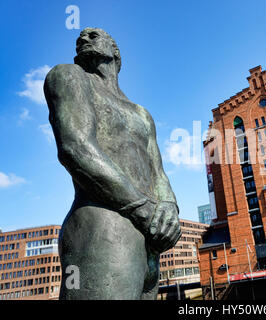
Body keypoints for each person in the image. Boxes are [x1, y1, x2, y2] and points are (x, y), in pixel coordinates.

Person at [44, 28, 181, 299]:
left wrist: (169, 209)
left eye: (93, 35)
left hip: (148, 245)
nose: (83, 39)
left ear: (115, 50)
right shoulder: (69, 77)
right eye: (80, 38)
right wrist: (144, 209)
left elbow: (158, 172)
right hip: (102, 228)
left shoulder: (142, 114)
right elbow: (75, 148)